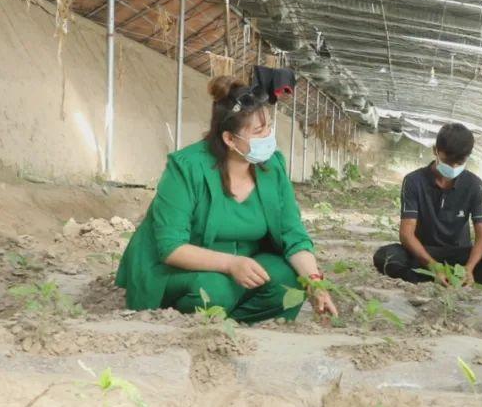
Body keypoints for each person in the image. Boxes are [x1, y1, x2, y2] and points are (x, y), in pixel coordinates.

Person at [115, 76, 338, 323]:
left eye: (269, 127)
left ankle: (231, 321)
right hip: (181, 270)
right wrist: (231, 264)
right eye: (258, 131)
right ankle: (183, 316)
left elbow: (292, 233)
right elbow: (171, 248)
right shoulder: (186, 168)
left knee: (290, 281)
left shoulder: (272, 166)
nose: (268, 137)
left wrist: (315, 281)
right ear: (229, 139)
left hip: (241, 267)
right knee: (214, 291)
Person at [373, 123, 482, 286]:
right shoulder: (414, 181)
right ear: (435, 150)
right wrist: (434, 266)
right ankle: (436, 276)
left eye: (459, 162)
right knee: (385, 257)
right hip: (425, 252)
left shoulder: (474, 185)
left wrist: (469, 267)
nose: (453, 167)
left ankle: (462, 277)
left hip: (460, 254)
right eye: (448, 161)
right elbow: (406, 234)